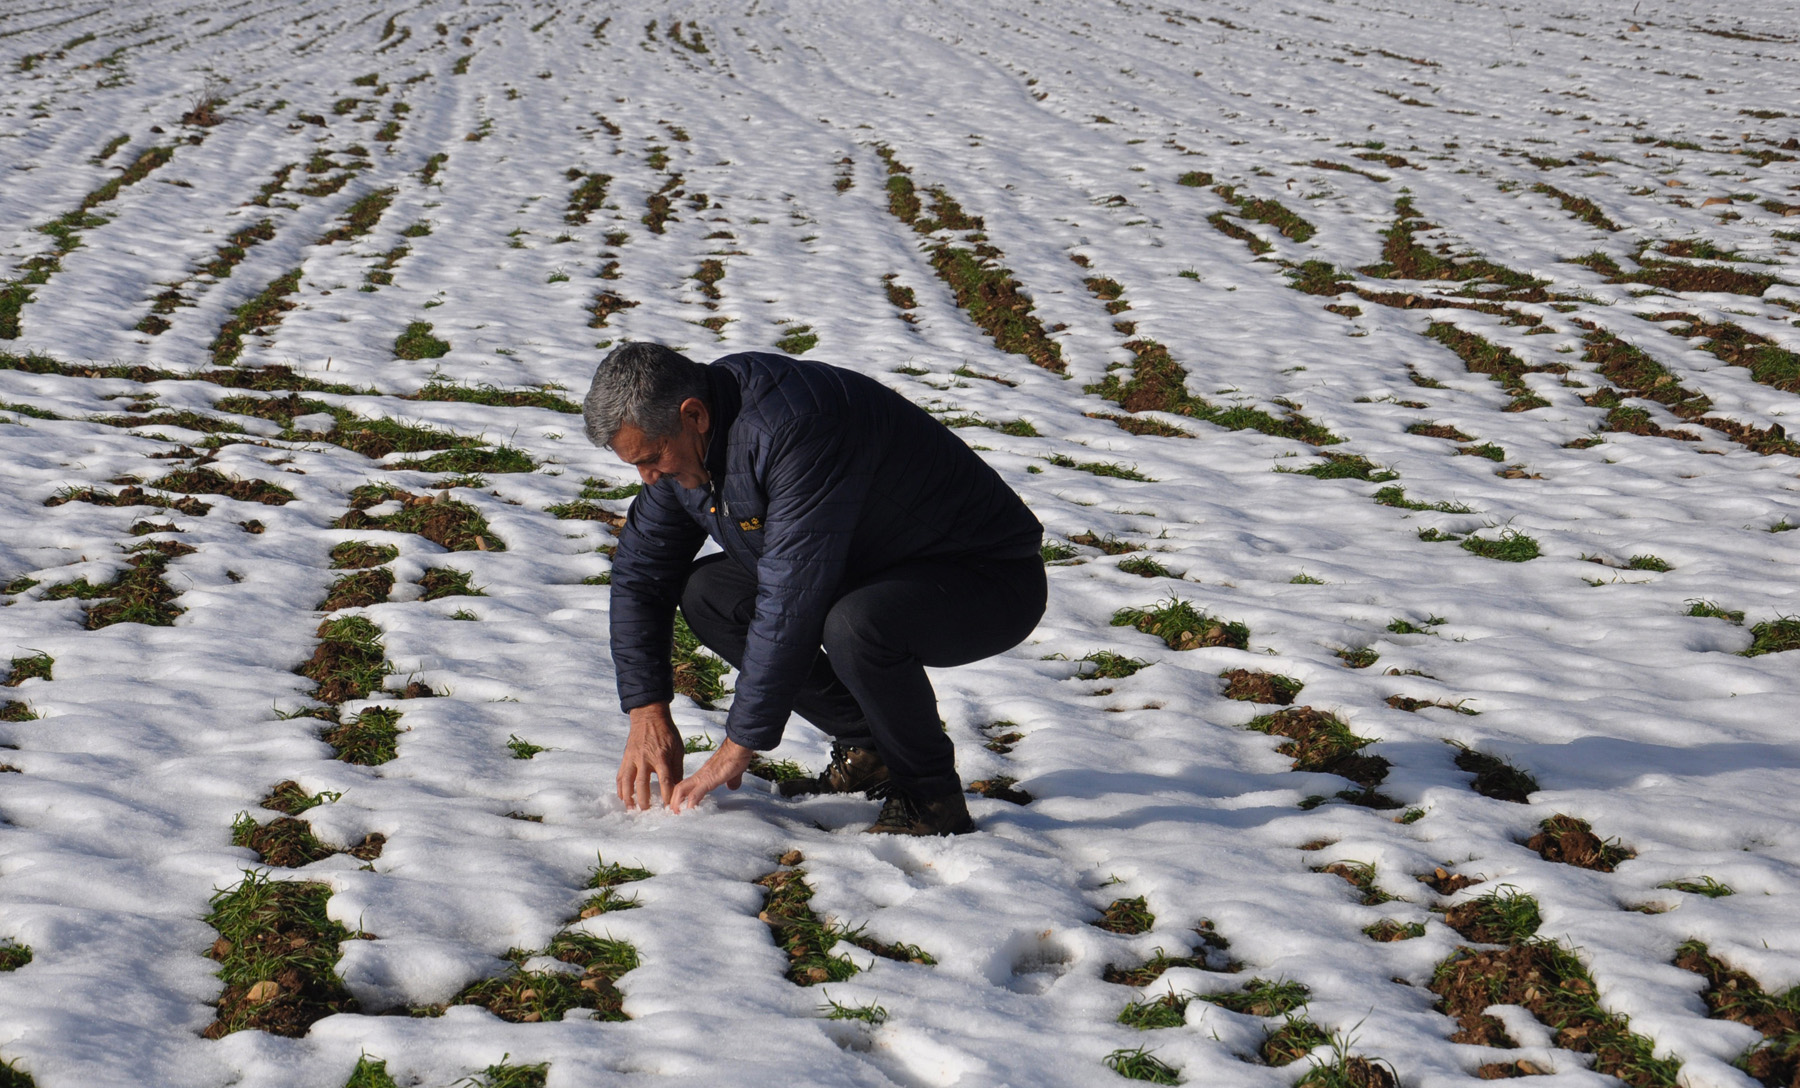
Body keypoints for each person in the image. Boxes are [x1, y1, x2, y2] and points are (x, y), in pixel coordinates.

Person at [584, 341, 1046, 835]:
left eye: (652, 457)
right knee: (709, 592)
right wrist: (647, 710)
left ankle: (930, 799)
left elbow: (790, 599)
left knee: (857, 624)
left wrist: (738, 746)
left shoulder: (796, 426)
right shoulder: (691, 447)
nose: (648, 477)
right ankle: (872, 749)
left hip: (987, 579)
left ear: (692, 415)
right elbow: (640, 573)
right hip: (870, 566)